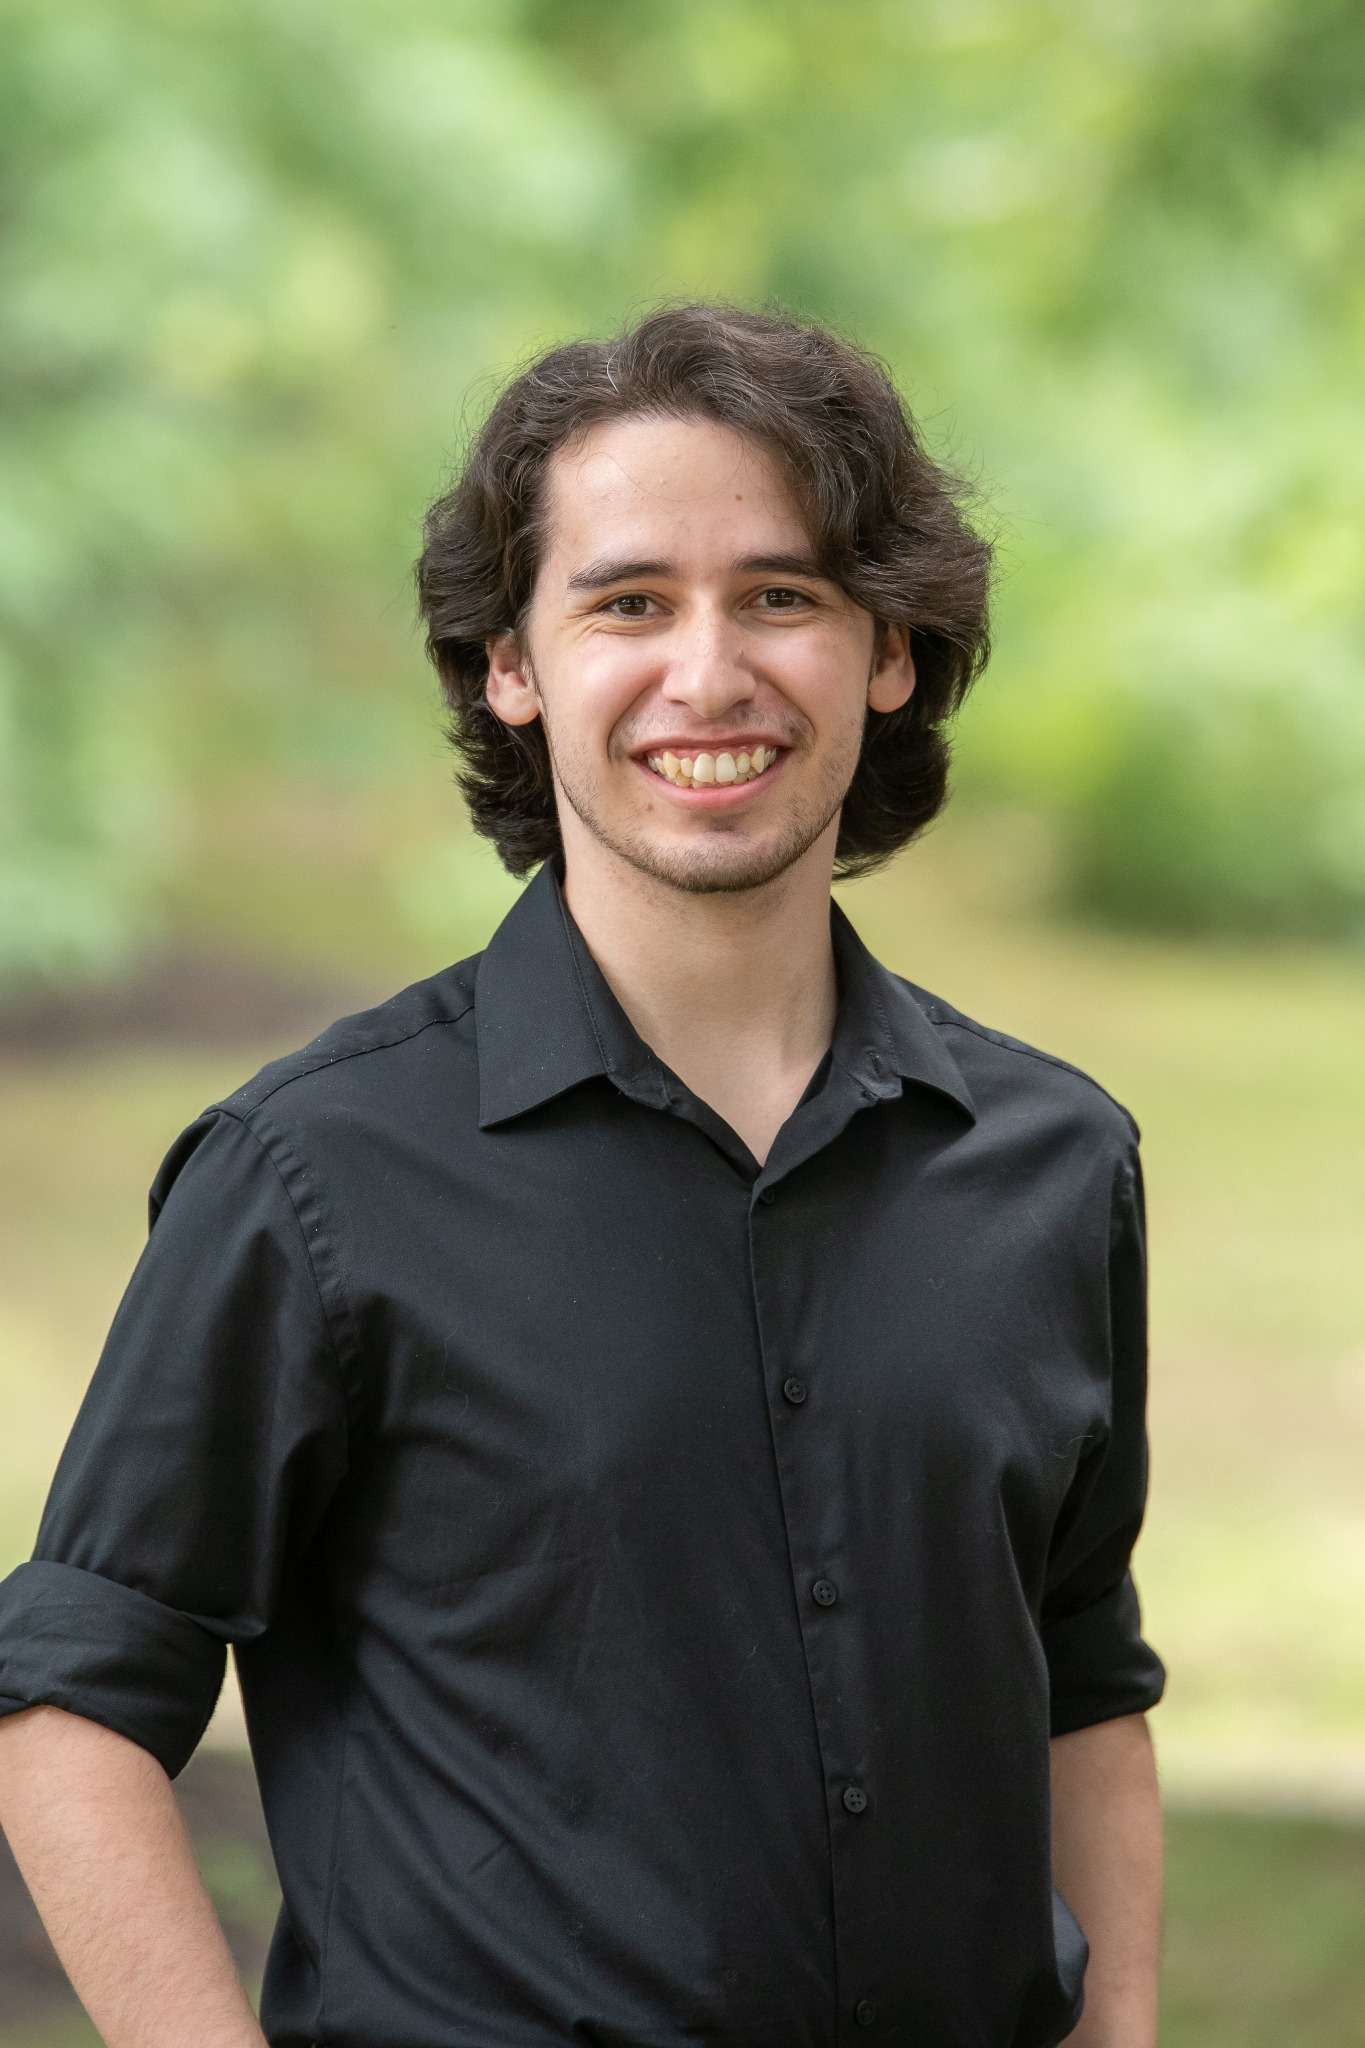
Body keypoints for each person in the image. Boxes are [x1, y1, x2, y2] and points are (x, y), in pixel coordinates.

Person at [0, 299, 1165, 2048]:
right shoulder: (313, 1172)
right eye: (628, 603)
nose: (709, 675)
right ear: (511, 666)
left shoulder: (1055, 1163)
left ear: (890, 651)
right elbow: (68, 1705)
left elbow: (1078, 1677)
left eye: (781, 594)